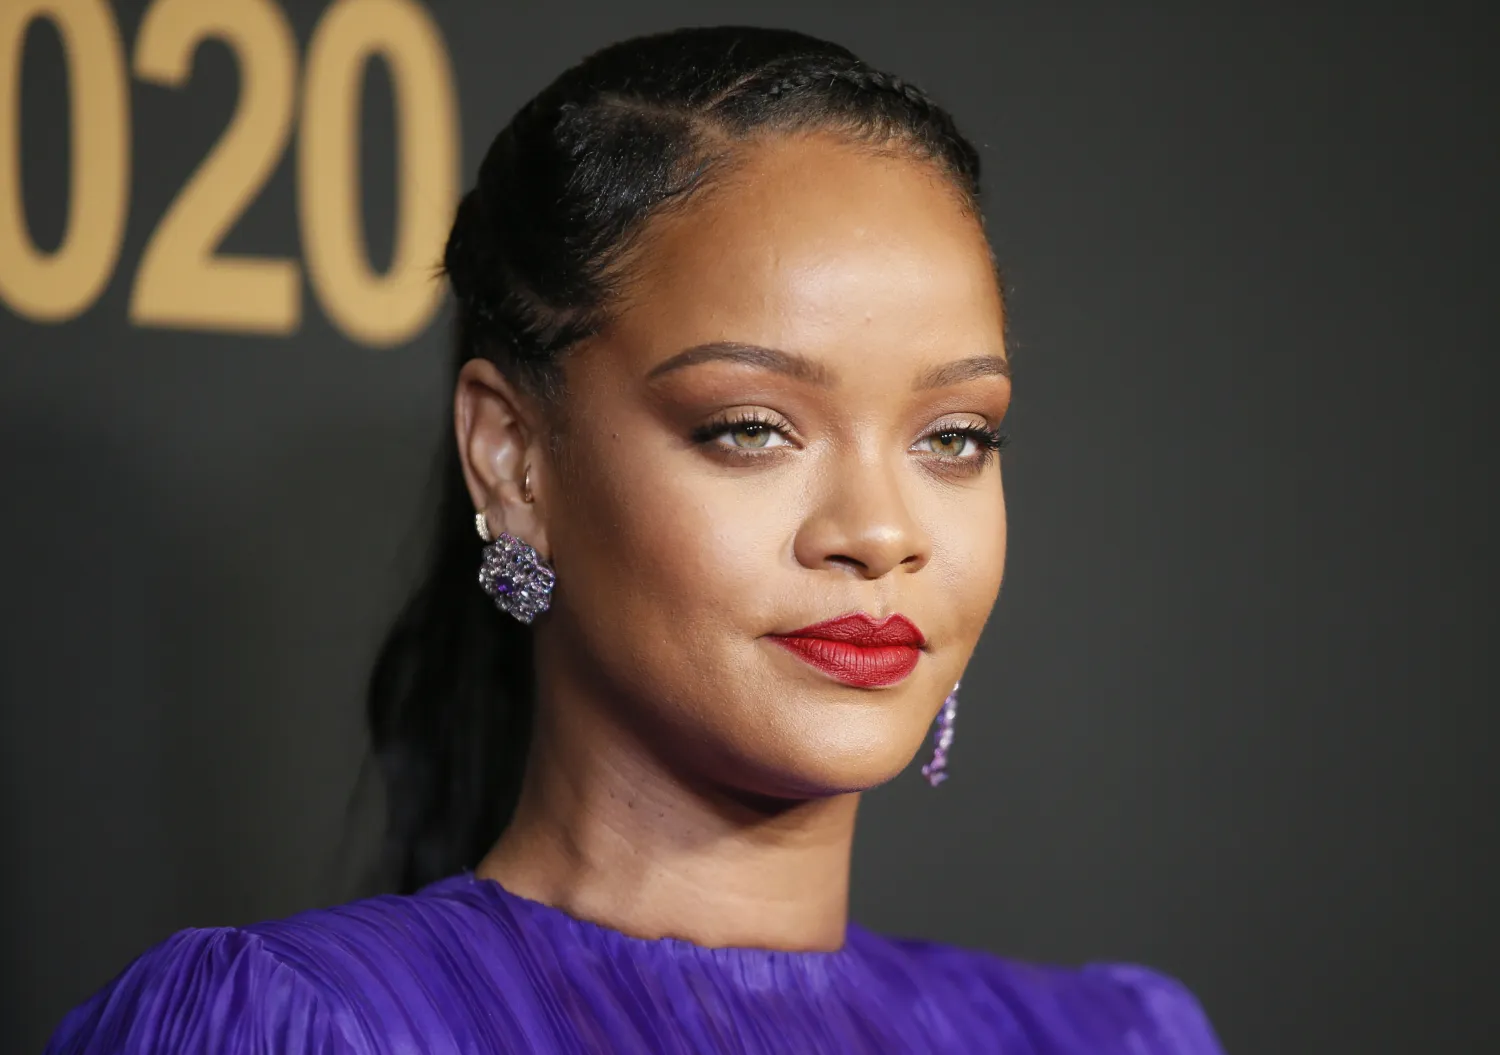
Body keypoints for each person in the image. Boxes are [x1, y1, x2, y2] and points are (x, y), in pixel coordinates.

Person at [45, 25, 1225, 1055]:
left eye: (956, 436)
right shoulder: (305, 1025)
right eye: (753, 428)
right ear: (513, 458)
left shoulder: (1113, 1036)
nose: (880, 530)